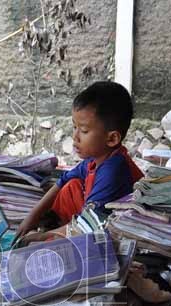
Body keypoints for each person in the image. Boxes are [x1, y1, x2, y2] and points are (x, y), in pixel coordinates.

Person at [15, 81, 144, 243]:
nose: (75, 137)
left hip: (115, 232)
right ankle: (55, 227)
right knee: (71, 186)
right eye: (74, 127)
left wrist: (41, 237)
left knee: (43, 245)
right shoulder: (95, 159)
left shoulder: (114, 170)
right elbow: (63, 181)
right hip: (93, 218)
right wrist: (33, 215)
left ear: (112, 138)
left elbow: (90, 225)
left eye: (84, 130)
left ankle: (54, 232)